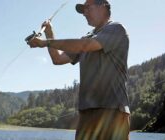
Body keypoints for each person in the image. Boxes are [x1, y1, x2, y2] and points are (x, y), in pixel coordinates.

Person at [27, 0, 130, 139]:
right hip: (87, 114)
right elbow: (57, 59)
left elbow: (85, 46)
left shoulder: (116, 29)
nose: (84, 13)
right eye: (83, 10)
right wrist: (49, 33)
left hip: (112, 111)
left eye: (88, 8)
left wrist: (46, 43)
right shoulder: (87, 37)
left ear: (103, 7)